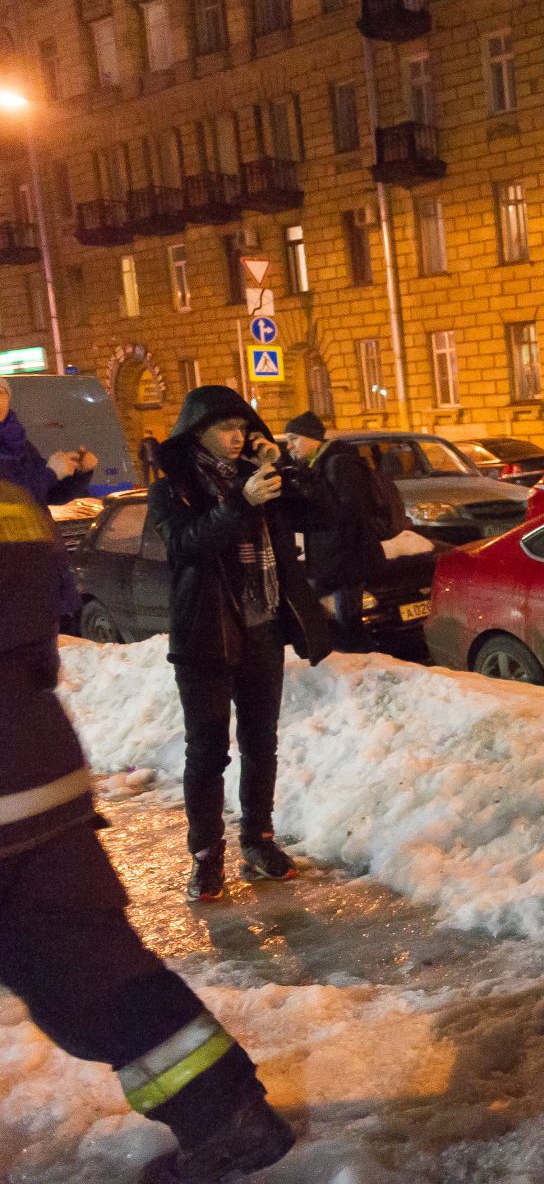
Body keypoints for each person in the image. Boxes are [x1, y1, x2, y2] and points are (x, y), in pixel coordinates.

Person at [0, 476, 296, 1182]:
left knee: (79, 975)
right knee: (87, 970)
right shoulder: (10, 498)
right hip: (36, 762)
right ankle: (225, 1114)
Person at [150, 386, 331, 901]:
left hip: (262, 630)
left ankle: (259, 838)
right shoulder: (173, 490)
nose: (237, 437)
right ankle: (206, 858)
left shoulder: (262, 479)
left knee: (261, 742)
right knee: (207, 751)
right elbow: (185, 546)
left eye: (242, 428)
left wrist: (286, 469)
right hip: (206, 637)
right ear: (196, 434)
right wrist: (238, 502)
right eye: (226, 429)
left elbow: (321, 514)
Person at [283, 411, 384, 653]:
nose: (289, 446)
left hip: (345, 564)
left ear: (313, 438)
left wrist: (308, 493)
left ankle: (361, 671)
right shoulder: (316, 465)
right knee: (338, 625)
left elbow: (347, 513)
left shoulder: (340, 463)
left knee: (348, 626)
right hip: (332, 562)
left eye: (294, 438)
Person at [0, 374, 97, 617]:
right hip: (10, 565)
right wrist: (50, 472)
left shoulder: (22, 446)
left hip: (40, 559)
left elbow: (49, 495)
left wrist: (79, 474)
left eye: (2, 393)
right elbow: (12, 500)